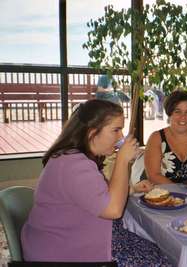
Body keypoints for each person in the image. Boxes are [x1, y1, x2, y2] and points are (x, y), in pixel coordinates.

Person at [21, 99, 171, 266]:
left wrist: (132, 188)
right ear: (92, 133)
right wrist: (122, 160)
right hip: (64, 253)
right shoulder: (73, 164)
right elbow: (113, 210)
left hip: (73, 238)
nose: (121, 137)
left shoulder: (73, 157)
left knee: (158, 249)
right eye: (116, 130)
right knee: (162, 259)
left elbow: (98, 193)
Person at [145, 90, 187, 184]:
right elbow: (153, 176)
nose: (183, 117)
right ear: (169, 113)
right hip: (166, 196)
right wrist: (180, 193)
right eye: (177, 111)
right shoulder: (156, 138)